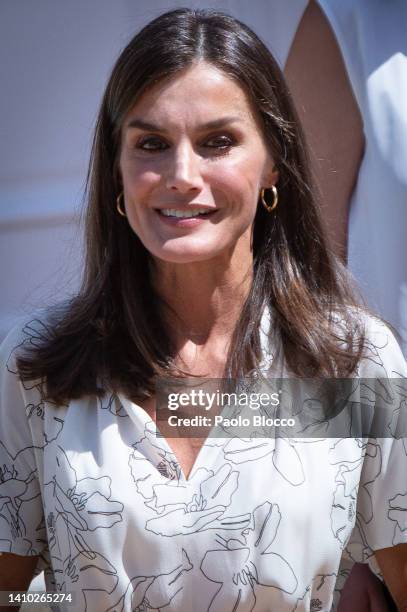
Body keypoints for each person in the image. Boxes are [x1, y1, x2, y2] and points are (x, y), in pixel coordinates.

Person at [0, 8, 406, 611]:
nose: (181, 175)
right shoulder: (38, 364)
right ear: (116, 170)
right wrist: (62, 602)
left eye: (218, 141)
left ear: (273, 163)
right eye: (152, 144)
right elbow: (10, 592)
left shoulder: (349, 361)